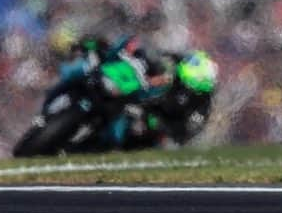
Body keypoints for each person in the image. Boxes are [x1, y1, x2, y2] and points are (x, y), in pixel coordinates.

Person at [57, 35, 217, 149]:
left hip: (144, 120)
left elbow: (185, 134)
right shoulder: (174, 60)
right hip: (128, 88)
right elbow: (147, 51)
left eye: (185, 84)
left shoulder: (201, 104)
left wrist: (156, 122)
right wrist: (126, 50)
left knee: (119, 137)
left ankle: (82, 147)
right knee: (84, 69)